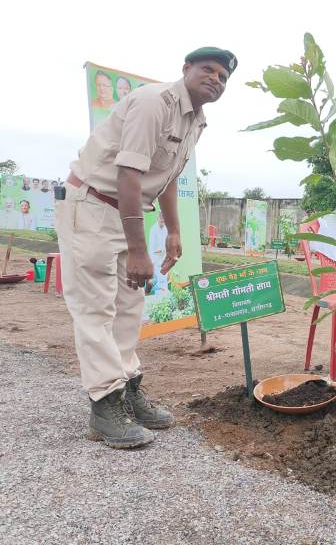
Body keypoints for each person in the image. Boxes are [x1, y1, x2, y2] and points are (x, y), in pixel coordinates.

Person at [56, 46, 237, 449]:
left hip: (128, 213)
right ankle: (105, 404)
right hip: (93, 205)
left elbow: (168, 176)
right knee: (96, 307)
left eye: (223, 77)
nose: (216, 79)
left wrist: (174, 230)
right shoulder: (156, 102)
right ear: (186, 69)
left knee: (129, 304)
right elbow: (128, 173)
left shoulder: (196, 120)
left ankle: (128, 389)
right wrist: (140, 250)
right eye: (208, 70)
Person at [147, 212, 169, 294]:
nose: (162, 222)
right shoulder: (153, 230)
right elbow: (152, 249)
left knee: (164, 278)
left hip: (164, 258)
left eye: (164, 220)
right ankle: (152, 291)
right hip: (155, 258)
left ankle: (164, 293)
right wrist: (163, 249)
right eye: (161, 220)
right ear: (158, 219)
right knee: (156, 279)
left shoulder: (166, 229)